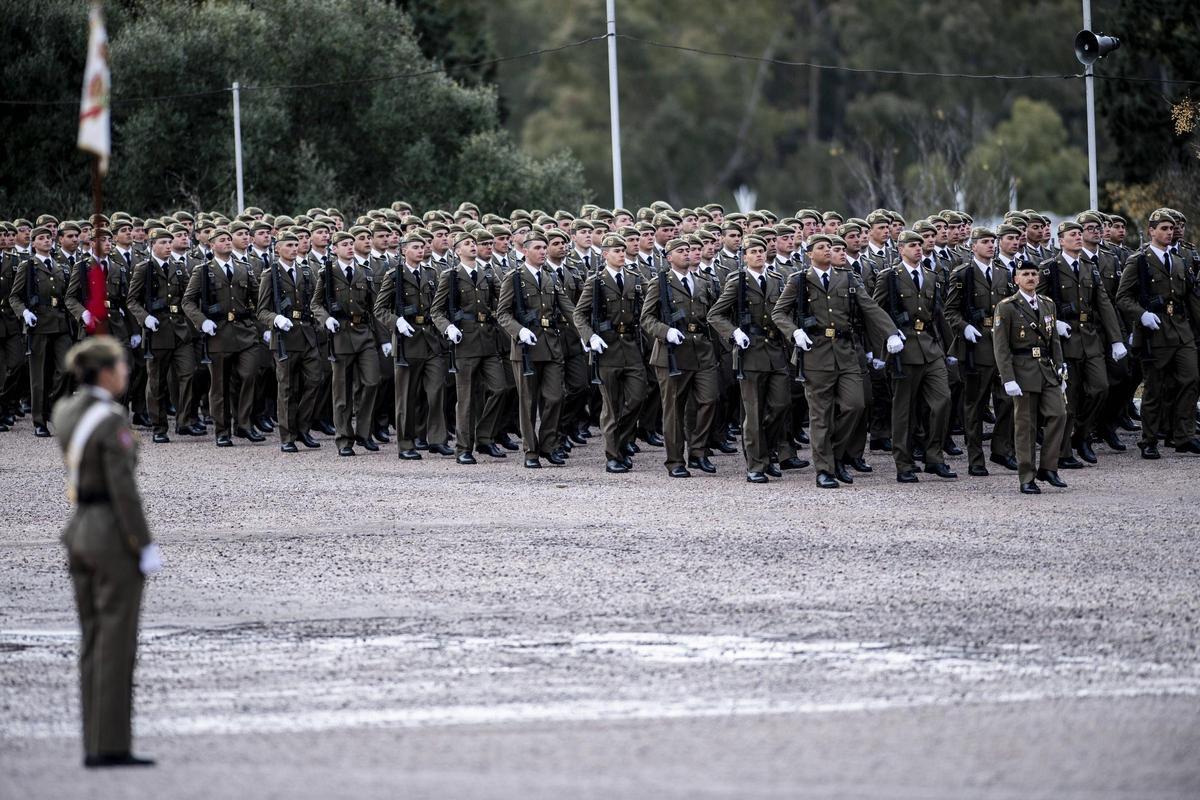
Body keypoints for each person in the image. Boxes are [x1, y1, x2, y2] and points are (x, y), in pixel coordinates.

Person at [51, 335, 160, 768]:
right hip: (111, 535)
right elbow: (125, 493)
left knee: (92, 640)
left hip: (77, 531)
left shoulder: (65, 411)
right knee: (116, 642)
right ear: (105, 372)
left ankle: (93, 738)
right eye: (120, 366)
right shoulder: (110, 418)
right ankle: (111, 744)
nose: (125, 373)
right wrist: (144, 543)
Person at [773, 233, 900, 488]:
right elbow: (779, 312)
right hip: (815, 354)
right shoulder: (799, 280)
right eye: (821, 247)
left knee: (856, 405)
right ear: (810, 253)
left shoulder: (848, 278)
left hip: (845, 352)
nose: (828, 251)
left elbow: (870, 307)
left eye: (830, 247)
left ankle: (837, 456)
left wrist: (891, 332)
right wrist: (794, 332)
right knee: (821, 415)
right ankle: (825, 470)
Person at [1115, 208, 1200, 458]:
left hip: (1181, 329)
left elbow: (1190, 297)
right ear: (1151, 231)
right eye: (1163, 228)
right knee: (1155, 388)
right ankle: (1149, 439)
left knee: (1190, 379)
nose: (1169, 232)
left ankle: (1183, 436)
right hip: (1156, 331)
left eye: (1171, 228)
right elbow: (1123, 297)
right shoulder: (1139, 260)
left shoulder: (1179, 260)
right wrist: (1141, 314)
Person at [872, 231, 956, 483]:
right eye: (912, 245)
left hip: (930, 349)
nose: (918, 248)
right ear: (900, 249)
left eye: (920, 244)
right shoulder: (889, 277)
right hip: (903, 350)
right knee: (903, 410)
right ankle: (904, 463)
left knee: (943, 401)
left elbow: (938, 314)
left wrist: (951, 349)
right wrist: (886, 343)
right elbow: (876, 312)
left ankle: (934, 457)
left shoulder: (930, 276)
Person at [708, 234, 791, 483]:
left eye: (761, 251)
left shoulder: (777, 280)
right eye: (753, 251)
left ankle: (767, 452)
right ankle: (756, 464)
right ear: (744, 256)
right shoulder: (738, 281)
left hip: (775, 352)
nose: (758, 255)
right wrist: (734, 333)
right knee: (753, 412)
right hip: (750, 352)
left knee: (780, 405)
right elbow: (715, 315)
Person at [496, 229, 577, 467]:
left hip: (551, 345)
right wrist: (518, 330)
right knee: (528, 401)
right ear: (524, 251)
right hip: (526, 349)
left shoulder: (550, 277)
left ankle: (548, 445)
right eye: (538, 248)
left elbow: (568, 308)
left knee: (555, 397)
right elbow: (503, 313)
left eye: (544, 248)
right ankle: (531, 451)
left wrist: (586, 334)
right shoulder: (514, 277)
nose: (543, 252)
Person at [641, 235, 720, 478]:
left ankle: (697, 452)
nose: (687, 253)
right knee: (674, 409)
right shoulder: (660, 283)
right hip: (672, 354)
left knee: (710, 400)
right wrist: (666, 332)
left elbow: (713, 313)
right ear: (669, 257)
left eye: (689, 250)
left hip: (702, 351)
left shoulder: (703, 281)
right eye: (682, 250)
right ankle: (675, 460)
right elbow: (646, 318)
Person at [573, 233, 648, 473]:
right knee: (611, 406)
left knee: (637, 397)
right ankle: (613, 455)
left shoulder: (635, 278)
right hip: (607, 348)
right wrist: (589, 336)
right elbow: (579, 314)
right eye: (616, 251)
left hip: (631, 347)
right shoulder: (596, 281)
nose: (621, 254)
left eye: (623, 250)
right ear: (605, 254)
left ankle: (623, 441)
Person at [944, 227, 1017, 476]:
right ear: (973, 246)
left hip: (1000, 343)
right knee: (974, 405)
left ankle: (1001, 449)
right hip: (975, 347)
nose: (990, 246)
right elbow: (950, 310)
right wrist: (963, 327)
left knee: (1006, 400)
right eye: (984, 242)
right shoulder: (962, 274)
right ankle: (976, 458)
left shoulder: (1003, 273)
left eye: (992, 242)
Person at [182, 227, 263, 447]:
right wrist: (202, 321)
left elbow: (258, 300)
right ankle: (222, 429)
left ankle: (244, 424)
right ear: (212, 245)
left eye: (229, 239)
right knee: (219, 385)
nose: (228, 242)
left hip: (245, 333)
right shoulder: (203, 270)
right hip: (218, 333)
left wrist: (261, 325)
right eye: (223, 239)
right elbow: (187, 301)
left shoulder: (244, 268)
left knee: (248, 375)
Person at [431, 230, 508, 463]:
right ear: (457, 251)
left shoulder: (488, 273)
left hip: (488, 340)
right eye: (467, 243)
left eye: (474, 243)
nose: (473, 246)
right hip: (464, 342)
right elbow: (437, 310)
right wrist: (447, 328)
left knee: (501, 388)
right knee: (465, 399)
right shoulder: (450, 276)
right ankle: (464, 448)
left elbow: (501, 300)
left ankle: (483, 437)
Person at [993, 261, 1068, 493]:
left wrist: (1061, 366)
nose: (1031, 278)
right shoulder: (1007, 307)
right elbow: (1001, 346)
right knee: (1026, 426)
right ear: (1016, 279)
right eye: (1025, 274)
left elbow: (1053, 339)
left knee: (1059, 413)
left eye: (1034, 274)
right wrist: (1008, 378)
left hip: (1046, 369)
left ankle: (1048, 467)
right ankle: (1027, 476)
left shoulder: (1048, 304)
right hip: (1022, 370)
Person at [375, 231, 450, 460]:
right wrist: (396, 321)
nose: (421, 250)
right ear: (404, 250)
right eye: (416, 247)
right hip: (407, 342)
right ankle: (406, 443)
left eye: (423, 246)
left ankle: (437, 439)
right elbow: (380, 309)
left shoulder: (431, 273)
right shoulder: (394, 275)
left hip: (430, 339)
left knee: (437, 389)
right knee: (406, 397)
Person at [311, 230, 382, 457]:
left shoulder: (365, 273)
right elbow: (316, 304)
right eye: (345, 244)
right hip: (340, 335)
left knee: (371, 382)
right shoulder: (327, 274)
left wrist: (382, 340)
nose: (350, 247)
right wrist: (326, 319)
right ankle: (344, 438)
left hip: (364, 334)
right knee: (341, 391)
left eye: (352, 243)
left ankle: (363, 432)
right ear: (335, 249)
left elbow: (375, 309)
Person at [127, 227, 199, 442]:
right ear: (152, 245)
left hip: (179, 330)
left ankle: (184, 421)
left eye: (170, 242)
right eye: (163, 243)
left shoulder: (179, 268)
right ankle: (159, 427)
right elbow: (132, 300)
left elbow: (188, 299)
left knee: (189, 373)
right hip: (156, 332)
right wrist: (145, 317)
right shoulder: (144, 269)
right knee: (157, 381)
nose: (168, 246)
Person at [257, 230, 323, 452]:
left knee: (315, 380)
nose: (294, 248)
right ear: (278, 249)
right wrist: (275, 318)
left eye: (296, 245)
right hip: (284, 338)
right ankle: (287, 435)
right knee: (286, 388)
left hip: (306, 335)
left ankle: (303, 428)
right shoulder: (270, 274)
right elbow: (262, 311)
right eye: (289, 245)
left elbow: (316, 300)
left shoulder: (306, 272)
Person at [9, 224, 72, 436]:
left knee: (65, 368)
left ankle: (55, 409)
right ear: (34, 243)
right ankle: (39, 420)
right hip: (39, 324)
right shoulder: (29, 266)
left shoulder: (59, 266)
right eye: (41, 238)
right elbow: (14, 296)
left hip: (60, 323)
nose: (47, 241)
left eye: (48, 238)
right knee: (39, 375)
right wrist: (24, 312)